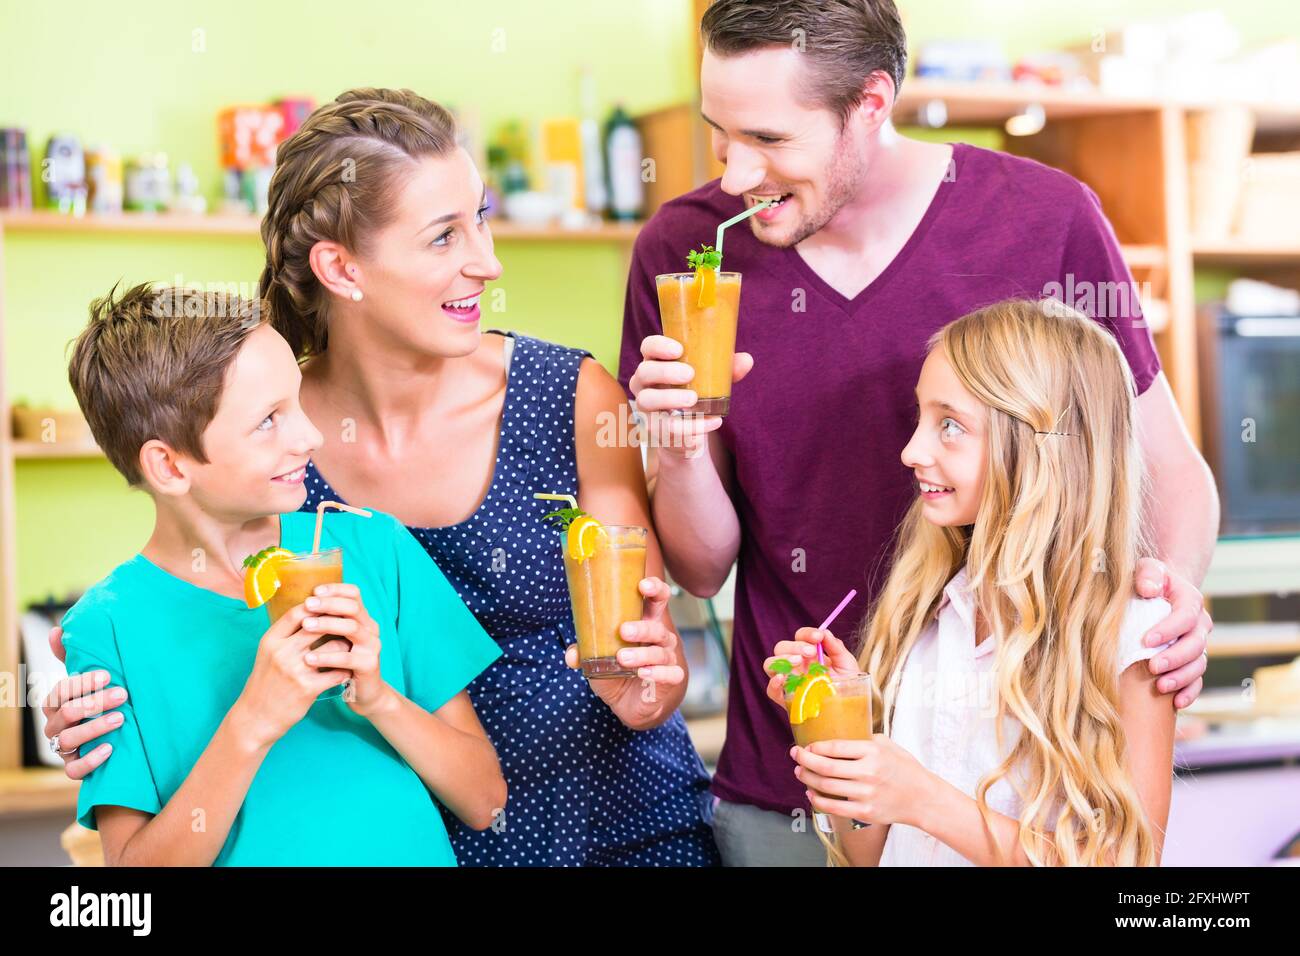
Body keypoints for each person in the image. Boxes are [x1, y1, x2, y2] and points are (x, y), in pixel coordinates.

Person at [46, 88, 720, 866]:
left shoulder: (570, 397)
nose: (487, 260)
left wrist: (652, 687)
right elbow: (186, 606)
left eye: (483, 217)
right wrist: (101, 693)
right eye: (443, 236)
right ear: (340, 267)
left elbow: (647, 652)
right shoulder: (278, 455)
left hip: (626, 834)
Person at [621, 0, 1215, 865]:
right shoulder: (683, 253)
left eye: (771, 140)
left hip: (1020, 779)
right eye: (720, 137)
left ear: (871, 101)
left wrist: (1167, 612)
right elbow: (704, 564)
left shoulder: (1046, 220)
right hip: (795, 777)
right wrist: (674, 443)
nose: (739, 175)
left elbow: (1169, 474)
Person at [59, 282, 505, 865]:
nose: (310, 436)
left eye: (295, 402)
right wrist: (253, 719)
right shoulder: (107, 627)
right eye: (269, 420)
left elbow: (484, 800)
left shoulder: (374, 547)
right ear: (168, 465)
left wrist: (377, 698)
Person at [765, 298, 1176, 865]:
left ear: (1038, 447)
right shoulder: (930, 613)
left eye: (950, 426)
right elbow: (868, 853)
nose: (911, 451)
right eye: (921, 419)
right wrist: (837, 729)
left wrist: (925, 799)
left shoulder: (1133, 632)